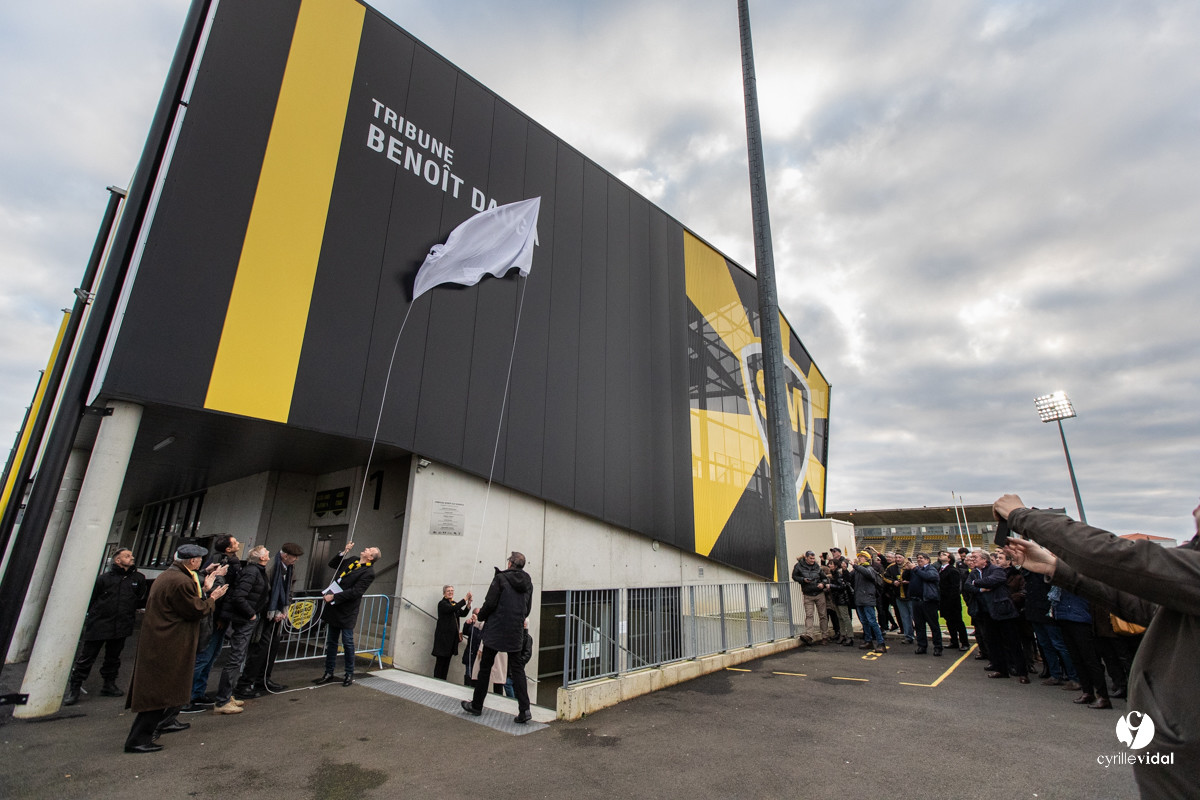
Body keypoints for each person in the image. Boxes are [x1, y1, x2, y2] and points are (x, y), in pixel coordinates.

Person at [124, 544, 227, 753]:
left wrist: (204, 584)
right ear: (192, 561)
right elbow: (195, 609)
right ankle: (139, 738)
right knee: (160, 690)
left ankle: (161, 725)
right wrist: (213, 598)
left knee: (164, 689)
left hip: (164, 638)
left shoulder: (171, 576)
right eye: (199, 560)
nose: (201, 564)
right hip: (170, 641)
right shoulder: (181, 582)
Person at [63, 548, 148, 706]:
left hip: (121, 624)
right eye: (127, 556)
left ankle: (109, 684)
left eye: (131, 555)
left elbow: (139, 598)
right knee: (87, 657)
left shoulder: (138, 578)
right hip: (100, 624)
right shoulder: (104, 579)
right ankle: (75, 687)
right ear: (117, 560)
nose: (132, 558)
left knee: (113, 657)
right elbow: (92, 598)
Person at [460, 551, 534, 723]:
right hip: (515, 630)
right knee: (517, 670)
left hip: (496, 629)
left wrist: (482, 616)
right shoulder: (528, 582)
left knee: (485, 667)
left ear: (510, 564)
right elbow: (527, 608)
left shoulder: (500, 578)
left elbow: (490, 603)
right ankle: (525, 710)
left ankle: (477, 706)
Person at [235, 542, 304, 697]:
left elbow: (289, 590)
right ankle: (245, 683)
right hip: (265, 614)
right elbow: (264, 591)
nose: (296, 560)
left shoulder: (288, 568)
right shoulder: (271, 567)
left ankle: (263, 679)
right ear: (285, 555)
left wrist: (284, 609)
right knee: (260, 649)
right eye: (294, 557)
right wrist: (272, 611)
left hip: (277, 613)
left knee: (271, 648)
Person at [183, 534, 241, 712]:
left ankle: (198, 693)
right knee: (204, 656)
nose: (238, 543)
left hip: (219, 616)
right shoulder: (220, 563)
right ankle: (185, 698)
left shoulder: (229, 561)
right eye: (235, 542)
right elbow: (219, 591)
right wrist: (221, 616)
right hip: (214, 617)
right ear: (228, 549)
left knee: (211, 656)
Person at [213, 545, 270, 715]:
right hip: (244, 619)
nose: (268, 553)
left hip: (247, 617)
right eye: (265, 551)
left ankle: (227, 695)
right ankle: (222, 699)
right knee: (236, 657)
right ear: (260, 557)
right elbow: (239, 596)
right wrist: (251, 614)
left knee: (238, 656)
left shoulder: (256, 571)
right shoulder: (252, 572)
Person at [314, 542, 379, 686]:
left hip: (347, 610)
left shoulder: (368, 573)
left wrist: (335, 597)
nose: (366, 548)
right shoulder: (352, 560)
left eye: (369, 548)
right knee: (331, 641)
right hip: (334, 607)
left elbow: (356, 591)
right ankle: (328, 672)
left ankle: (349, 673)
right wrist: (344, 552)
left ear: (370, 558)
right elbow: (333, 564)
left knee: (347, 642)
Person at [432, 584, 472, 679]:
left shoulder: (453, 603)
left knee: (447, 663)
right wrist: (464, 599)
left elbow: (462, 613)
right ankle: (436, 680)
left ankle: (443, 680)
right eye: (448, 591)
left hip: (451, 640)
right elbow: (452, 609)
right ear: (444, 593)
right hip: (443, 639)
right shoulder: (442, 604)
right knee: (440, 662)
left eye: (452, 591)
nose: (450, 592)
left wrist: (468, 604)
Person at [793, 550, 831, 644]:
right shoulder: (798, 566)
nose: (813, 560)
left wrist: (822, 584)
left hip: (819, 593)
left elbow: (825, 578)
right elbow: (794, 576)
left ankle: (825, 636)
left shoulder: (817, 567)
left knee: (823, 615)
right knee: (809, 615)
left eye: (814, 558)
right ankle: (809, 635)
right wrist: (803, 580)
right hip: (808, 594)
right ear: (806, 558)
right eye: (811, 558)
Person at [909, 553, 943, 655]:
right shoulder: (916, 570)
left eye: (921, 558)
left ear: (928, 560)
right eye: (918, 558)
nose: (919, 560)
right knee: (919, 625)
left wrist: (915, 569)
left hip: (928, 601)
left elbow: (929, 577)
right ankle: (922, 645)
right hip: (916, 601)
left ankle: (937, 646)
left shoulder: (930, 569)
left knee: (933, 625)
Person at [852, 551, 886, 653]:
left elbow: (868, 574)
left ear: (867, 559)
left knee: (872, 621)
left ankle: (881, 642)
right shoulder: (859, 570)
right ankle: (868, 640)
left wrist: (855, 566)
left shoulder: (869, 569)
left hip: (867, 599)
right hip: (860, 599)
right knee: (865, 621)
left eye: (862, 557)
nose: (859, 558)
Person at [937, 550, 969, 651]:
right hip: (943, 600)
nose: (941, 555)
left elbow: (955, 587)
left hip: (952, 601)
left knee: (958, 622)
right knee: (949, 622)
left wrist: (950, 600)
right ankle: (954, 641)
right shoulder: (939, 569)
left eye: (944, 554)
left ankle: (965, 643)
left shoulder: (952, 570)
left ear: (949, 558)